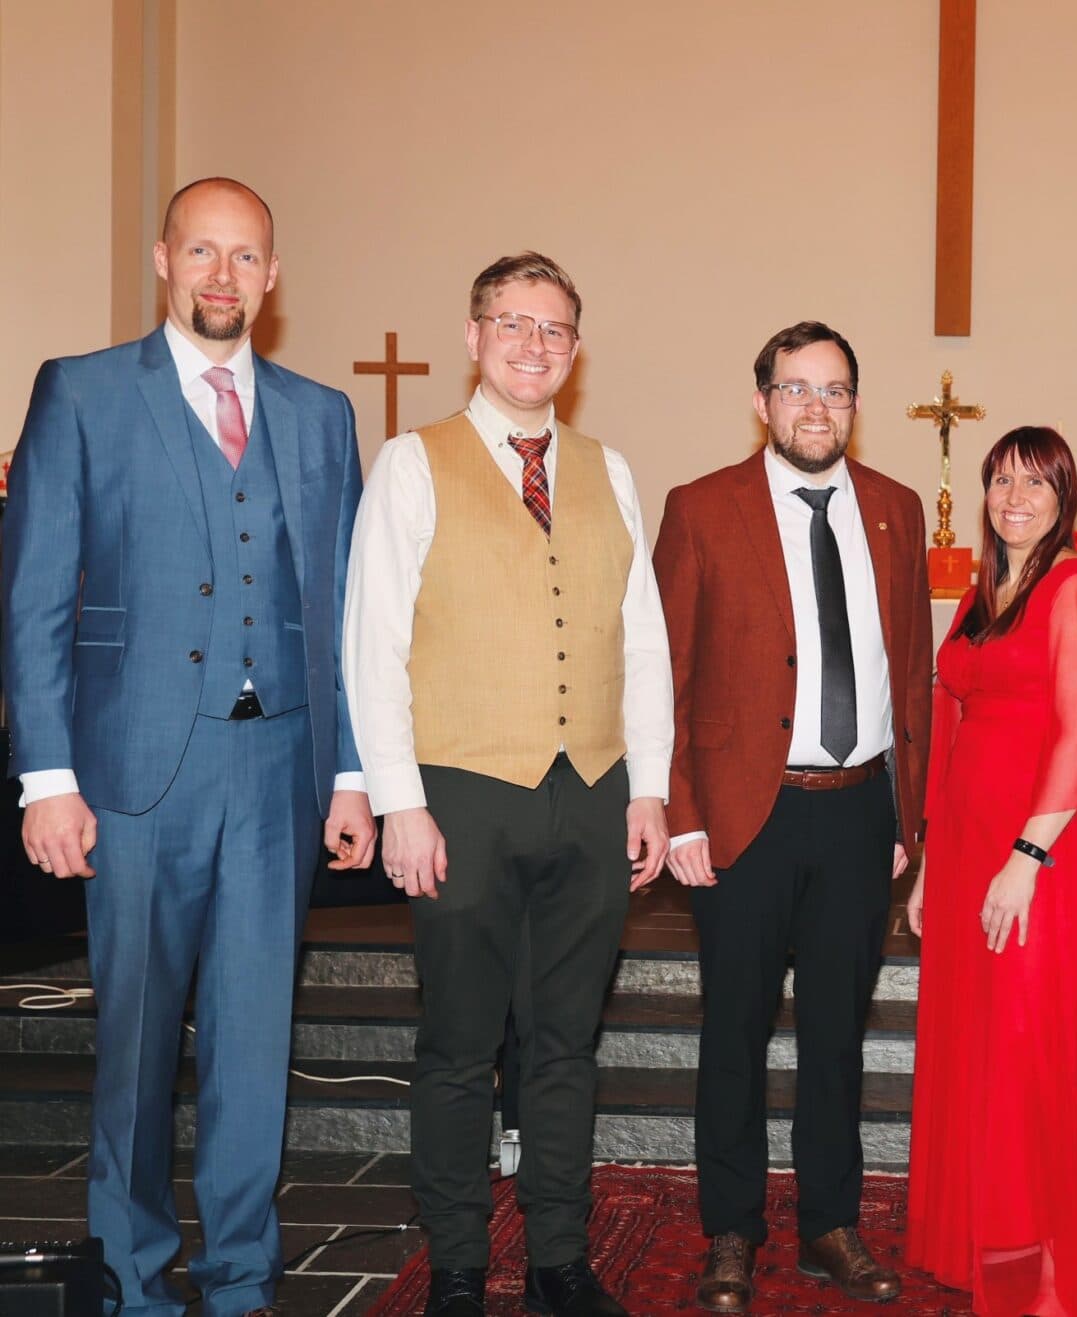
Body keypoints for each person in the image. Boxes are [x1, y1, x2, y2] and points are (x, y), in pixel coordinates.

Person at [1, 177, 377, 1317]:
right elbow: (34, 596)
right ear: (164, 260)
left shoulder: (320, 414)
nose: (224, 275)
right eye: (203, 252)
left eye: (245, 256)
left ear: (273, 275)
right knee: (136, 1043)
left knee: (255, 1042)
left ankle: (243, 1275)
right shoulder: (82, 392)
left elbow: (343, 613)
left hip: (278, 772)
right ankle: (130, 1276)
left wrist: (350, 772)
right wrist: (47, 777)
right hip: (135, 775)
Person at [343, 252, 673, 1317]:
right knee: (458, 1044)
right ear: (475, 336)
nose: (534, 344)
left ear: (575, 349)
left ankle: (558, 1259)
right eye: (513, 323)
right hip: (463, 791)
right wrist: (400, 802)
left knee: (567, 1042)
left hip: (592, 787)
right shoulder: (412, 463)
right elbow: (374, 643)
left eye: (554, 328)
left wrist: (648, 786)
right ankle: (455, 1263)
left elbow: (642, 638)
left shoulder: (609, 470)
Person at [655, 321, 933, 1314]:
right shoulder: (701, 507)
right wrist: (681, 814)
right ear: (762, 401)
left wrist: (907, 814)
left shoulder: (896, 509)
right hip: (744, 815)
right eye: (797, 388)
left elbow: (913, 668)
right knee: (733, 1030)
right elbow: (666, 674)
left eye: (835, 390)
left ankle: (829, 1224)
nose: (817, 407)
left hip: (857, 812)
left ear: (855, 405)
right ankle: (731, 1229)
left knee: (836, 1034)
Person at [905, 426, 1077, 1316]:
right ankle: (987, 1247)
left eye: (1035, 482)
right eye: (1001, 479)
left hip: (1038, 850)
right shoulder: (983, 590)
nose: (1015, 497)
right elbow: (956, 723)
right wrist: (932, 862)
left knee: (1026, 1053)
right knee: (982, 1055)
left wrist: (1026, 857)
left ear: (1063, 496)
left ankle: (1042, 1273)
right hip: (969, 847)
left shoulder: (1074, 585)